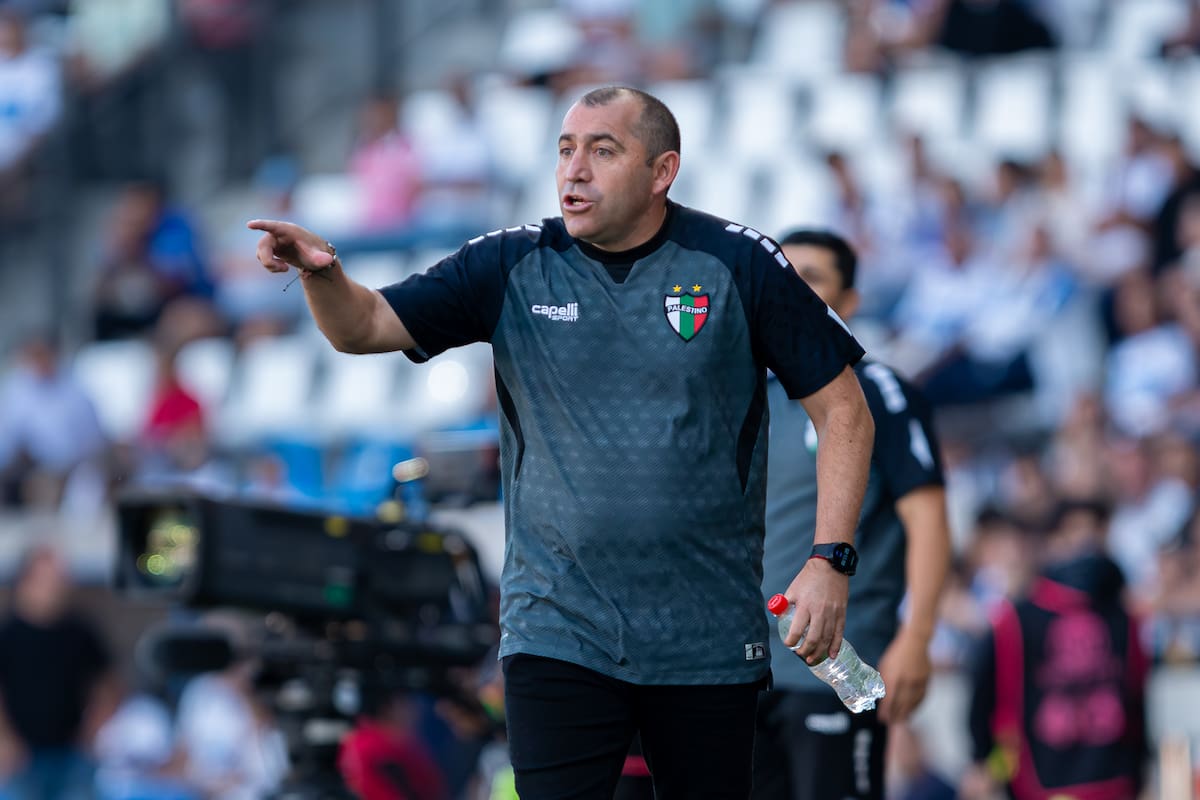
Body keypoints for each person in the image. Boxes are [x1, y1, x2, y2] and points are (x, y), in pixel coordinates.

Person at [249, 85, 875, 799]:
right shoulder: (510, 263)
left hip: (705, 634)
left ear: (662, 171)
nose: (574, 170)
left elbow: (845, 411)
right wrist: (323, 273)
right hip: (557, 629)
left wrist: (830, 560)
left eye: (602, 151)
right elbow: (364, 326)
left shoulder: (738, 263)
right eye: (565, 150)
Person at [753, 229, 952, 800]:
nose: (794, 288)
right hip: (742, 670)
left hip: (837, 667)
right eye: (785, 275)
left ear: (851, 301)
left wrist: (917, 637)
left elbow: (929, 520)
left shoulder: (879, 392)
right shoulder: (749, 394)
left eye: (812, 277)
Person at [960, 499, 1148, 800]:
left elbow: (1137, 699)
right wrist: (983, 760)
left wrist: (1139, 774)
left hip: (1112, 783)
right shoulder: (1014, 620)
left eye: (1094, 532)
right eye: (1073, 533)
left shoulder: (1123, 618)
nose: (1084, 543)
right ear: (1053, 542)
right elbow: (983, 698)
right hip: (1037, 783)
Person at [0, 544, 120, 798]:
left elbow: (107, 684)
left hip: (72, 754)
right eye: (47, 580)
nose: (54, 587)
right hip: (21, 756)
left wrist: (93, 729)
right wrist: (5, 740)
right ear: (26, 582)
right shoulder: (8, 634)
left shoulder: (79, 632)